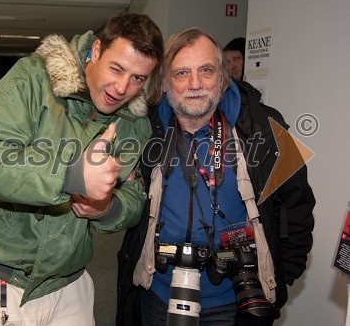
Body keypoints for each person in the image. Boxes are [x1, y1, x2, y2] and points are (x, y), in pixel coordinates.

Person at [0, 13, 164, 326]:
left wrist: (106, 208)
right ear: (96, 51)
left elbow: (134, 199)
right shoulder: (33, 79)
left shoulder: (134, 124)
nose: (123, 88)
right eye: (116, 68)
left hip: (70, 285)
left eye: (138, 78)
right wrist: (72, 176)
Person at [116, 28, 315, 326]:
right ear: (165, 83)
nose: (194, 83)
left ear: (222, 78)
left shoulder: (268, 124)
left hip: (236, 302)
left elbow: (299, 207)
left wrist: (280, 276)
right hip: (157, 295)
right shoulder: (145, 129)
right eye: (181, 72)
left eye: (206, 70)